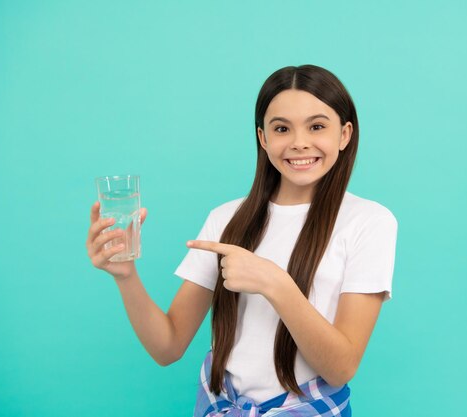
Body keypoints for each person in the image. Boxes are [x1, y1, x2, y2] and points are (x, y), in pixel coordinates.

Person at [86, 64, 398, 417]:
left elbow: (340, 367)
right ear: (263, 139)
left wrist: (273, 283)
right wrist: (125, 275)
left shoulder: (369, 222)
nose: (299, 142)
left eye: (317, 126)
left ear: (344, 135)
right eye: (281, 128)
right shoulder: (226, 220)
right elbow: (168, 346)